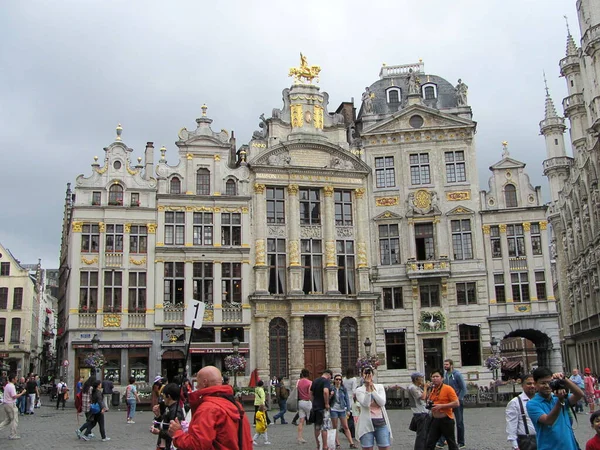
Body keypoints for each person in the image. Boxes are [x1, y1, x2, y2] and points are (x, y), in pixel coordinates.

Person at [168, 365, 253, 450]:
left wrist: (177, 433)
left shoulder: (208, 408)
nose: (196, 387)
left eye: (198, 383)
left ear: (205, 382)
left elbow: (197, 445)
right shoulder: (236, 405)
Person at [527, 367, 584, 450]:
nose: (547, 386)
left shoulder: (557, 397)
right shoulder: (532, 404)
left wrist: (564, 379)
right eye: (543, 383)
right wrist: (560, 401)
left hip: (570, 446)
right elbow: (548, 421)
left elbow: (579, 394)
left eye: (549, 382)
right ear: (535, 384)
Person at [355, 367, 392, 450]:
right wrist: (368, 388)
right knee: (367, 448)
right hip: (366, 424)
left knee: (385, 447)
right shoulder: (359, 390)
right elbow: (366, 404)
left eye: (369, 373)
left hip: (381, 422)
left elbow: (382, 402)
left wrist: (373, 390)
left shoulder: (379, 387)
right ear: (362, 375)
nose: (368, 375)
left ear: (373, 375)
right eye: (365, 373)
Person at [424, 368, 459, 450]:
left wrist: (441, 406)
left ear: (442, 378)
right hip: (435, 420)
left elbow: (456, 403)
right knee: (429, 443)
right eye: (433, 377)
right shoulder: (433, 389)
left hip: (446, 419)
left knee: (451, 443)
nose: (435, 378)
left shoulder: (448, 388)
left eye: (437, 376)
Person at [437, 359, 467, 449]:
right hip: (448, 402)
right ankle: (442, 441)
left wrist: (458, 399)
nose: (445, 366)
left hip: (457, 402)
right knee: (444, 421)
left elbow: (463, 388)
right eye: (444, 364)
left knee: (459, 422)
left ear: (451, 365)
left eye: (447, 364)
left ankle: (461, 442)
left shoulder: (457, 375)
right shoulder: (445, 375)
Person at [505, 374, 537, 450]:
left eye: (534, 383)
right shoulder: (515, 402)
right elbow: (511, 424)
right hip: (526, 441)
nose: (532, 386)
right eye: (529, 384)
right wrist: (515, 445)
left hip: (542, 439)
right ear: (522, 385)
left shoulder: (540, 400)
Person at [152, 383, 185, 450]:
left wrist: (159, 432)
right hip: (164, 444)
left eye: (163, 395)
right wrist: (158, 415)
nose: (163, 398)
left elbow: (174, 433)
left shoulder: (175, 411)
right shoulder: (169, 408)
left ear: (168, 396)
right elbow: (164, 423)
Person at [330, 373, 357, 448]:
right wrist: (330, 395)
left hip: (342, 409)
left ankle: (351, 443)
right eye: (337, 379)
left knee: (345, 426)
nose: (338, 381)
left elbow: (347, 399)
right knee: (335, 427)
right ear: (334, 380)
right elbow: (327, 399)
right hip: (333, 409)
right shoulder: (331, 388)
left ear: (341, 381)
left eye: (339, 379)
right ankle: (337, 443)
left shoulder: (343, 389)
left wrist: (348, 409)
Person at [310, 369, 333, 449]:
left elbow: (311, 393)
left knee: (317, 427)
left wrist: (313, 402)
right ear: (329, 375)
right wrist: (326, 403)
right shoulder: (326, 381)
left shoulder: (315, 380)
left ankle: (318, 445)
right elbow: (326, 391)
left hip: (315, 407)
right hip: (323, 408)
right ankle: (325, 446)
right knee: (324, 427)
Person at [0, 373, 27, 440]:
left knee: (7, 420)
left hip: (6, 404)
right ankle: (13, 434)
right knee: (14, 420)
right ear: (13, 379)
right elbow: (14, 396)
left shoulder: (7, 385)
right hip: (11, 405)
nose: (17, 379)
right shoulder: (11, 386)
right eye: (16, 378)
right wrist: (22, 393)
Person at [407, 372, 429, 450]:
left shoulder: (417, 387)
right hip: (420, 412)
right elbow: (422, 397)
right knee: (421, 434)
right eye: (421, 378)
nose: (423, 380)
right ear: (416, 379)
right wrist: (425, 388)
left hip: (422, 411)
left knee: (424, 433)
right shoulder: (413, 388)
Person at [296, 368, 313, 444]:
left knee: (301, 421)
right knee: (315, 419)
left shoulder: (299, 382)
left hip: (300, 402)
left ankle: (299, 437)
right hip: (307, 402)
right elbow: (310, 393)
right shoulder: (309, 382)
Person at [342, 368, 358, 438]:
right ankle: (349, 429)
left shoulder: (344, 379)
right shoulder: (354, 379)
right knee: (351, 415)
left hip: (345, 397)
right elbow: (354, 390)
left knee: (347, 415)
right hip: (351, 397)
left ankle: (348, 429)